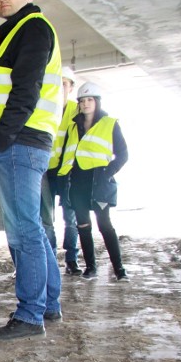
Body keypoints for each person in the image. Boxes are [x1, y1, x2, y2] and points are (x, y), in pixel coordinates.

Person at [0, 0, 63, 341]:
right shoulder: (18, 32)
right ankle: (48, 305)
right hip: (25, 140)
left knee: (23, 231)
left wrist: (1, 140)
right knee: (33, 228)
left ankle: (29, 316)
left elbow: (27, 90)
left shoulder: (32, 28)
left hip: (20, 141)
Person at [59, 82, 129, 281]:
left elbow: (123, 154)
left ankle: (120, 270)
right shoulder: (74, 125)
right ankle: (91, 267)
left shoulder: (110, 123)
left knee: (105, 225)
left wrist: (108, 172)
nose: (86, 104)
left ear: (97, 102)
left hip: (100, 181)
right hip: (78, 182)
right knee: (83, 225)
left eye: (90, 100)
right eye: (82, 100)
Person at [44, 65, 81, 275]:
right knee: (47, 219)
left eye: (64, 84)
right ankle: (50, 257)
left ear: (71, 87)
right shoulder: (47, 109)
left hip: (67, 171)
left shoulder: (77, 110)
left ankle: (72, 259)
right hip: (47, 170)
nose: (60, 88)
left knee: (71, 218)